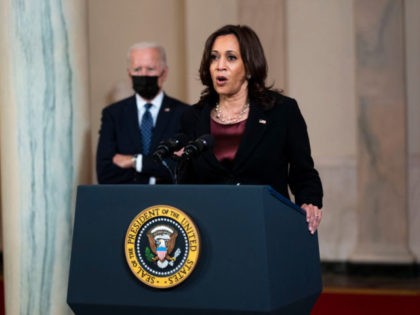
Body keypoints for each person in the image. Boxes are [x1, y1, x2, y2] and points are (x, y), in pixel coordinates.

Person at [178, 25, 323, 234]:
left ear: (249, 66)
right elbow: (186, 183)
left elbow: (303, 172)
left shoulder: (281, 112)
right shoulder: (192, 117)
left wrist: (309, 202)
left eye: (231, 58)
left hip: (267, 227)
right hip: (209, 230)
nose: (220, 66)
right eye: (214, 57)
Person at [96, 42, 188, 184]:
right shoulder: (113, 114)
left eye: (150, 69)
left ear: (164, 73)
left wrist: (136, 162)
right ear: (129, 74)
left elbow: (185, 170)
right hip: (126, 201)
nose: (144, 75)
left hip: (170, 202)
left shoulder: (184, 114)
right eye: (137, 69)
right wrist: (156, 174)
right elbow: (105, 172)